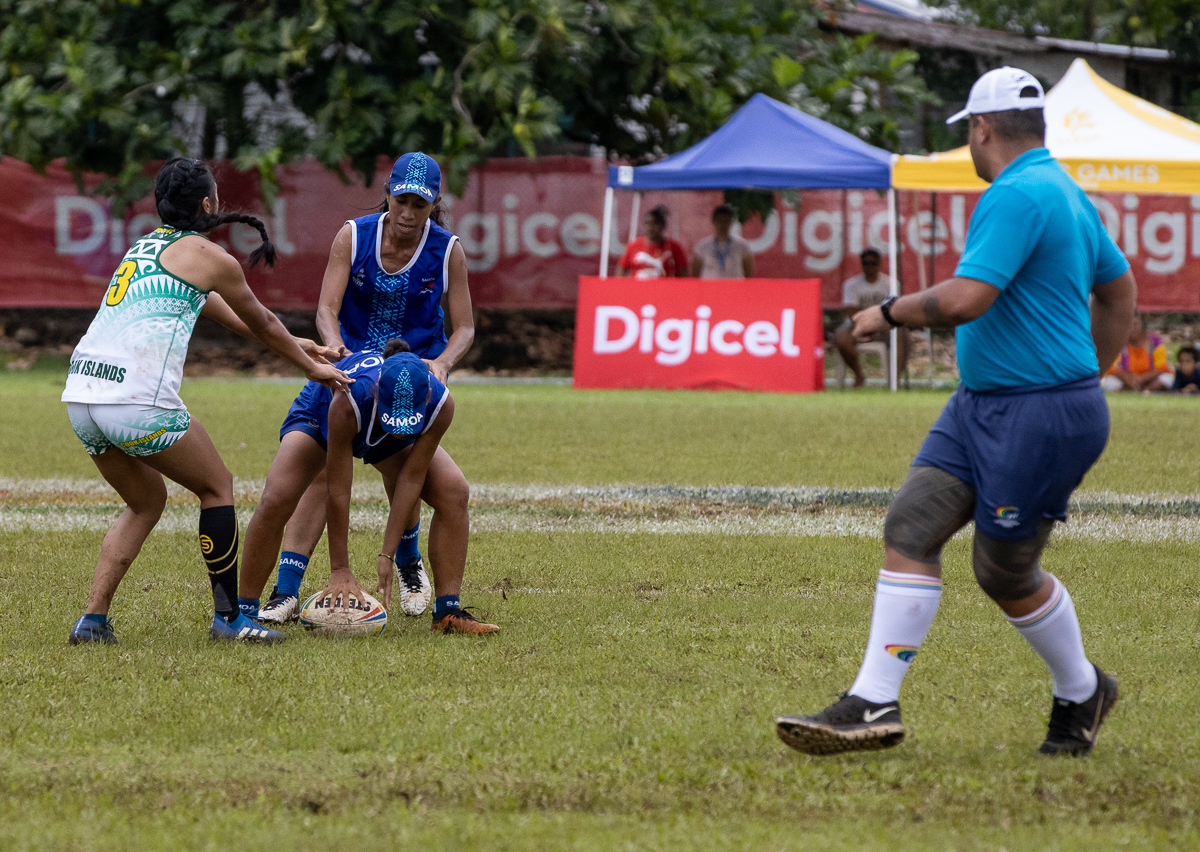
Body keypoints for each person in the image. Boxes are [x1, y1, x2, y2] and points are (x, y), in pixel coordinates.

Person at [775, 67, 1136, 757]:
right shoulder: (1063, 190)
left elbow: (967, 298)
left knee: (1003, 571)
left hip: (1037, 415)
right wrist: (1092, 371)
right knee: (912, 521)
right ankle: (872, 700)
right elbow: (1120, 293)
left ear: (980, 128)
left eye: (968, 133)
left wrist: (885, 312)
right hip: (981, 405)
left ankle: (1083, 688)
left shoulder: (1018, 193)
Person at [62, 157, 351, 646]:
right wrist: (312, 369)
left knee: (146, 500)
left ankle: (92, 621)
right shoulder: (211, 257)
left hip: (82, 397)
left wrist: (301, 345)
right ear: (208, 204)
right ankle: (229, 619)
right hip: (135, 401)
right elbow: (260, 321)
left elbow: (236, 318)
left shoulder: (146, 247)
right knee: (217, 486)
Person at [242, 152, 474, 624]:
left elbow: (465, 329)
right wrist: (337, 351)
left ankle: (425, 584)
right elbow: (326, 309)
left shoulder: (447, 250)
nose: (408, 214)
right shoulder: (353, 234)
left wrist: (442, 365)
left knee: (443, 489)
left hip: (405, 386)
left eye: (420, 205)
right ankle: (275, 596)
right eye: (401, 201)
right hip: (345, 380)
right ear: (387, 192)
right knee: (290, 488)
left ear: (434, 205)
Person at [239, 338, 498, 635]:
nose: (403, 435)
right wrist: (340, 569)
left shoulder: (441, 403)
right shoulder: (351, 399)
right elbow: (338, 490)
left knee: (454, 491)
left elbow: (411, 478)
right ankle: (242, 613)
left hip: (376, 425)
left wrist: (387, 555)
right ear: (378, 395)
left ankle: (447, 613)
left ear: (426, 397)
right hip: (323, 407)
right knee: (277, 496)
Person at [833, 248, 908, 387]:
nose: (869, 266)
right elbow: (851, 312)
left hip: (885, 326)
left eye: (873, 263)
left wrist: (877, 322)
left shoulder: (891, 284)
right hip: (858, 326)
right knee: (841, 337)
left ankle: (894, 380)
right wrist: (870, 322)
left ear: (880, 264)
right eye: (866, 263)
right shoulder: (851, 285)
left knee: (903, 335)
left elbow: (896, 310)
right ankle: (858, 375)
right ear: (861, 264)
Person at [1100, 313, 1172, 392]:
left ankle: (1145, 390)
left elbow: (1161, 367)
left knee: (1167, 378)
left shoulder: (1155, 341)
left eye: (1135, 324)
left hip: (1150, 380)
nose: (1132, 328)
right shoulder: (1120, 341)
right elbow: (1113, 368)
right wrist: (1129, 379)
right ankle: (1133, 390)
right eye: (1128, 325)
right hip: (1127, 380)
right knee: (1108, 382)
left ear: (1143, 325)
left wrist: (1141, 379)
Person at [617, 205, 688, 278]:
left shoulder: (674, 247)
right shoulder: (633, 245)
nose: (650, 228)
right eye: (647, 223)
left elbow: (683, 274)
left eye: (655, 223)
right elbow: (621, 271)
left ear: (663, 225)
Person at [690, 204, 754, 279]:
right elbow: (696, 274)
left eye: (726, 221)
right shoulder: (702, 246)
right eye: (719, 220)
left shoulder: (742, 246)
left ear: (731, 222)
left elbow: (748, 272)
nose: (722, 224)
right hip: (710, 288)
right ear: (713, 222)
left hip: (735, 288)